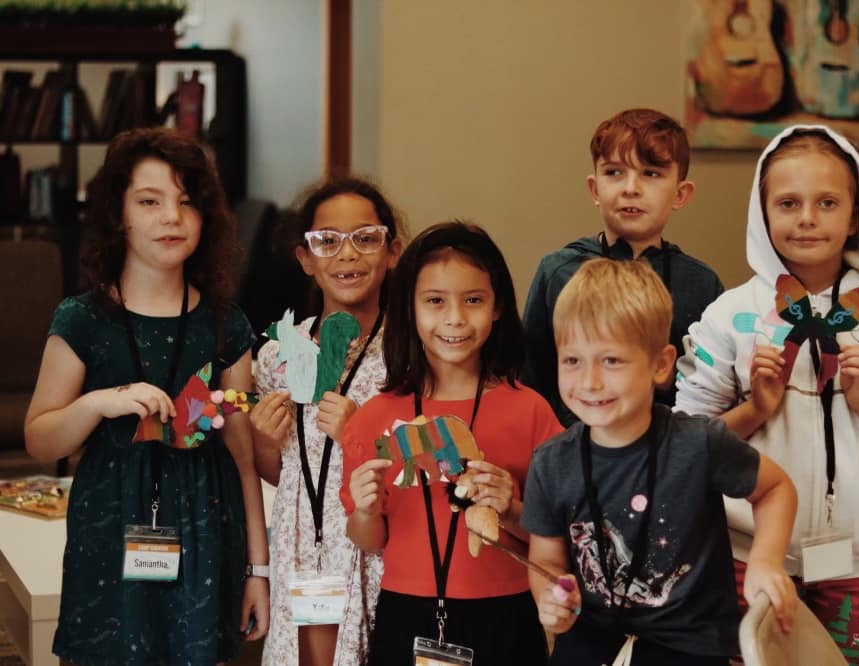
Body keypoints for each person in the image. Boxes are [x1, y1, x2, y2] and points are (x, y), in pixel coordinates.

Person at [675, 125, 859, 664]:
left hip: (857, 562)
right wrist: (756, 409)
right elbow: (686, 448)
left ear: (855, 215)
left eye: (827, 202)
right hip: (749, 555)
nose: (806, 217)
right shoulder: (729, 317)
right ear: (762, 214)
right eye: (788, 203)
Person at [24, 127, 269, 663]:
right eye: (150, 201)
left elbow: (244, 458)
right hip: (108, 531)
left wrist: (259, 570)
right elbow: (40, 440)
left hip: (206, 533)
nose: (171, 218)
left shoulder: (226, 324)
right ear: (119, 214)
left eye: (187, 202)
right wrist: (96, 403)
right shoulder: (83, 319)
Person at [521, 258, 797, 665]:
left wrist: (765, 561)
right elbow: (545, 558)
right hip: (589, 649)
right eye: (572, 360)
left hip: (689, 650)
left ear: (661, 364)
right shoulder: (550, 464)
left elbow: (775, 488)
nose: (589, 382)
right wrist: (549, 595)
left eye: (611, 360)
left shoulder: (699, 443)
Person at [340, 221, 563, 665]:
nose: (455, 318)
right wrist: (365, 511)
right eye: (435, 301)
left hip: (507, 613)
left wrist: (511, 509)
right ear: (409, 308)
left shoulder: (531, 411)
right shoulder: (374, 418)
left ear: (498, 307)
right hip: (407, 613)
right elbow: (369, 539)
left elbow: (555, 537)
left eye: (473, 300)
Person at [251, 177, 403, 666]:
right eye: (328, 241)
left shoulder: (407, 356)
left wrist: (360, 435)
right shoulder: (279, 355)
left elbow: (420, 464)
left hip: (376, 545)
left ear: (393, 251)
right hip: (302, 546)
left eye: (366, 238)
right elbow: (284, 472)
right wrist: (265, 441)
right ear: (306, 258)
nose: (347, 254)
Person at [521, 108, 724, 424]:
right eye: (614, 172)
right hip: (571, 442)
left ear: (680, 194)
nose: (630, 188)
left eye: (651, 174)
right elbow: (532, 382)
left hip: (671, 445)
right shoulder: (557, 272)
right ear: (595, 189)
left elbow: (711, 390)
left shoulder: (702, 283)